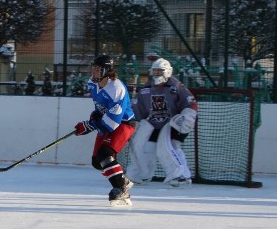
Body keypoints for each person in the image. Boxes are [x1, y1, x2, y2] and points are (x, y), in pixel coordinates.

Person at [74, 55, 137, 206]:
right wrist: (94, 118)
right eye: (93, 69)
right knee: (97, 162)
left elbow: (112, 122)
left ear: (106, 71)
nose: (93, 72)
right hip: (107, 121)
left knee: (105, 154)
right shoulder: (92, 83)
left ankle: (121, 188)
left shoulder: (117, 88)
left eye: (97, 69)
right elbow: (101, 109)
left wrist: (89, 126)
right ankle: (122, 180)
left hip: (123, 123)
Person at [127, 58, 198, 187]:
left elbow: (190, 102)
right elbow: (138, 110)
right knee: (146, 148)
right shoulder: (145, 89)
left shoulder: (176, 86)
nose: (157, 74)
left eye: (160, 71)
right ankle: (142, 175)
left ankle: (182, 176)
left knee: (172, 146)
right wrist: (131, 121)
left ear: (168, 72)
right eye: (155, 71)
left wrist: (188, 115)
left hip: (174, 124)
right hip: (154, 125)